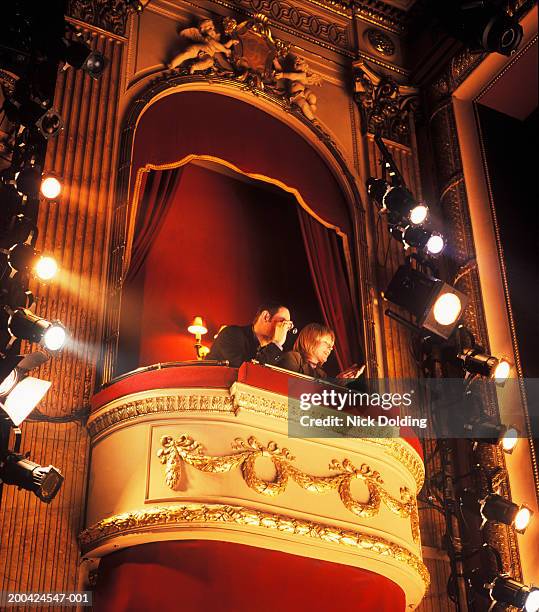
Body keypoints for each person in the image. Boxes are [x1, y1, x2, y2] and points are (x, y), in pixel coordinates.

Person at [206, 302, 293, 367]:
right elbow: (249, 373)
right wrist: (276, 343)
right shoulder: (231, 334)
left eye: (288, 325)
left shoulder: (274, 353)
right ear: (266, 316)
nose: (285, 329)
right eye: (283, 322)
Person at [278, 323, 364, 380]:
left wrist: (338, 382)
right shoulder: (293, 358)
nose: (330, 348)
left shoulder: (321, 374)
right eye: (326, 343)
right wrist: (334, 384)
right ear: (310, 340)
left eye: (331, 346)